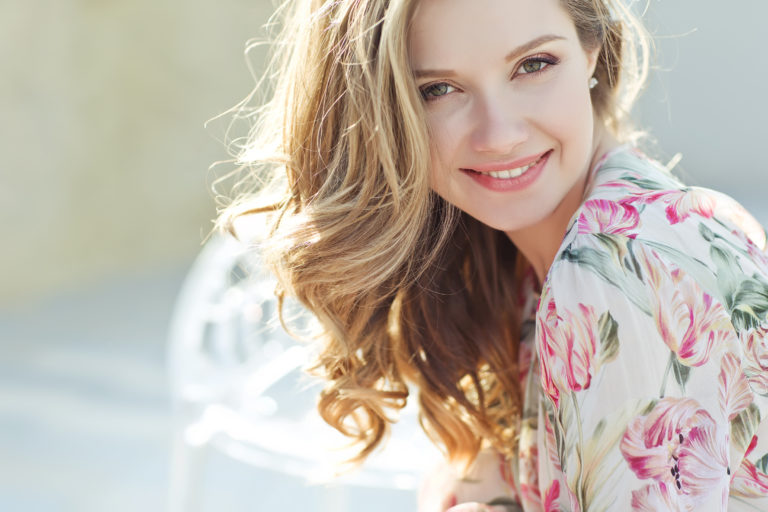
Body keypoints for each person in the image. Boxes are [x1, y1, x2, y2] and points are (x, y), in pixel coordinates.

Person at [219, 0, 768, 509]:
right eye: (437, 90)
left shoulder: (617, 261)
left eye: (533, 64)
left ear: (591, 51)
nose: (498, 135)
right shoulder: (536, 258)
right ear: (382, 118)